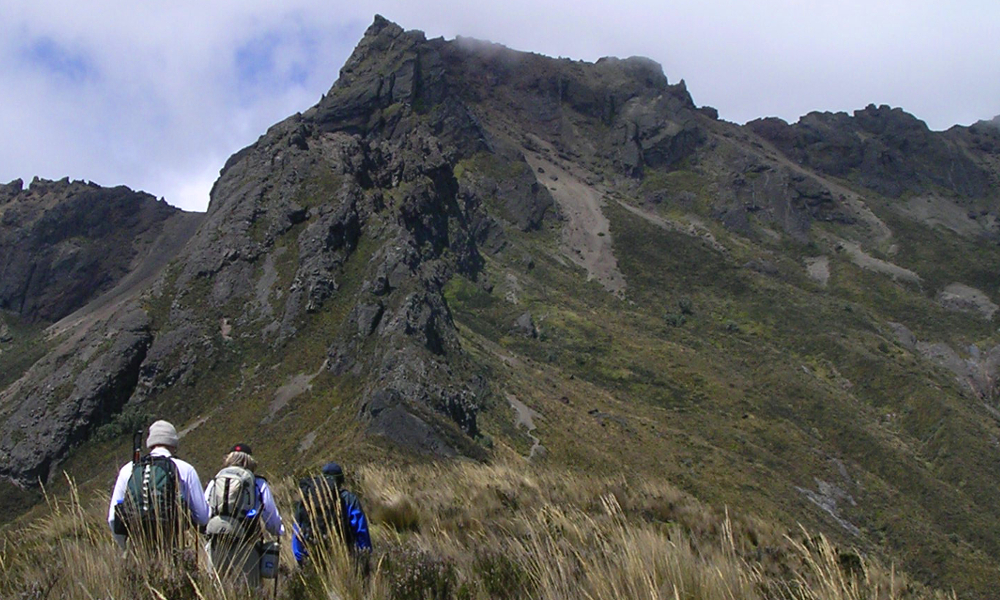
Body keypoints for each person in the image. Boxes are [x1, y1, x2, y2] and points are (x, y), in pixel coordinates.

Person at [108, 420, 210, 551]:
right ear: (173, 443)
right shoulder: (185, 469)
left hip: (136, 547)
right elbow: (203, 517)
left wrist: (124, 548)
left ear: (150, 443)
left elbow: (112, 518)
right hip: (171, 547)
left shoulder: (129, 469)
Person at [204, 443, 284, 588]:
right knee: (248, 590)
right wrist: (279, 531)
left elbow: (205, 514)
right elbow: (272, 519)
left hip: (216, 545)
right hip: (247, 546)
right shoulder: (258, 483)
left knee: (217, 588)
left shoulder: (215, 481)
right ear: (250, 460)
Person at [292, 462, 371, 566]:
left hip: (312, 559)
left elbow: (297, 531)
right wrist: (364, 556)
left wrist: (301, 559)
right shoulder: (349, 499)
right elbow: (361, 531)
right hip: (344, 559)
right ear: (340, 480)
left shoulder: (307, 499)